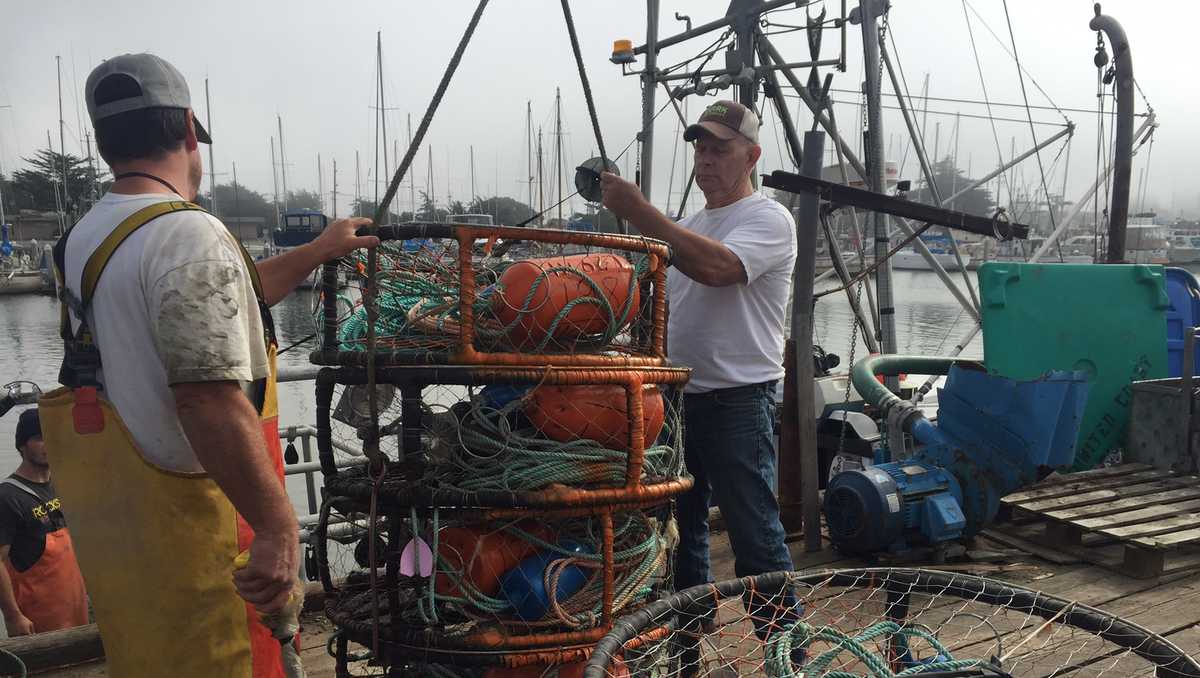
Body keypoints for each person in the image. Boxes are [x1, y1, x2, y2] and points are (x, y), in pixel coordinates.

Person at [39, 53, 377, 677]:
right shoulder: (187, 237)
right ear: (189, 131)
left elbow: (226, 306)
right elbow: (207, 397)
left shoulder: (84, 239)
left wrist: (319, 250)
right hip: (208, 543)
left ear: (104, 141)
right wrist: (277, 525)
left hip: (133, 553)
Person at [601, 100, 800, 633]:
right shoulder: (688, 224)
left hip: (738, 399)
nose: (706, 158)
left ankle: (787, 653)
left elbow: (718, 268)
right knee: (679, 529)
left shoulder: (769, 218)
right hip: (675, 399)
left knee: (754, 532)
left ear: (752, 156)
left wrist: (640, 210)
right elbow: (659, 301)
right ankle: (691, 642)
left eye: (720, 148)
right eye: (700, 147)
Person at [0, 409, 88, 636]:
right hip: (37, 617)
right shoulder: (7, 497)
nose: (47, 444)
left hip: (76, 606)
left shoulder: (61, 484)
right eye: (39, 438)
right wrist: (13, 616)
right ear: (22, 445)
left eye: (51, 436)